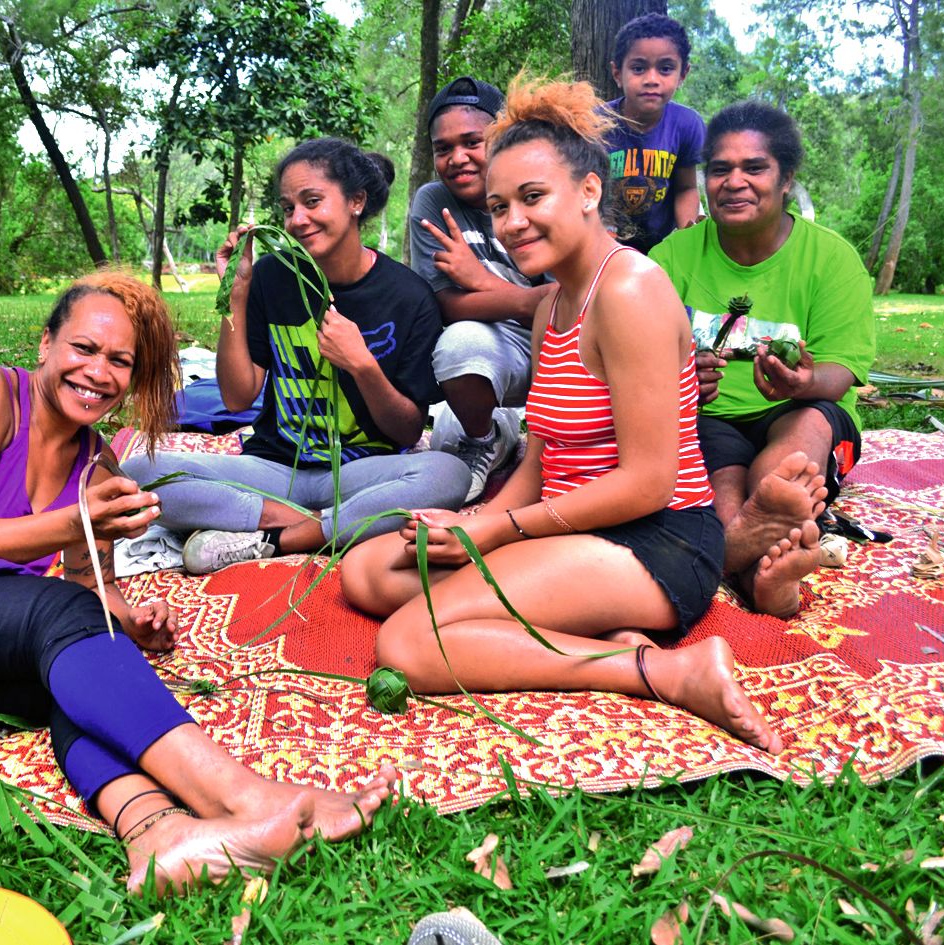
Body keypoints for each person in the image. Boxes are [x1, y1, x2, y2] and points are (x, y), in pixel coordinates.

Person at [0, 272, 397, 894]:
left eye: (120, 361)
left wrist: (127, 619)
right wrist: (76, 522)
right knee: (55, 622)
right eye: (83, 347)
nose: (97, 371)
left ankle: (154, 829)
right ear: (46, 343)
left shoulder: (97, 463)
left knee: (80, 673)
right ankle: (247, 798)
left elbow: (91, 591)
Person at [340, 75, 783, 756]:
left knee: (408, 641)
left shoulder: (629, 288)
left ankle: (661, 668)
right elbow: (544, 456)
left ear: (587, 191)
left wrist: (497, 529)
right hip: (570, 525)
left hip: (655, 539)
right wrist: (475, 521)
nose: (510, 220)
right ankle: (599, 627)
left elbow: (647, 483)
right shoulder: (551, 303)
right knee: (368, 572)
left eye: (531, 197)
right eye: (497, 205)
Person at [125, 138, 470, 575]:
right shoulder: (272, 278)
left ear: (356, 202)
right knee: (138, 472)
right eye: (288, 208)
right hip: (274, 471)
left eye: (312, 201)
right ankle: (293, 523)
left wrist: (362, 364)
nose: (298, 220)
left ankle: (282, 539)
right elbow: (236, 398)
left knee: (448, 474)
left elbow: (404, 431)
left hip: (360, 476)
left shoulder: (409, 297)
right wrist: (237, 294)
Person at [650, 101, 876, 618]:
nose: (735, 182)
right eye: (721, 168)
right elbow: (640, 357)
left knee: (802, 441)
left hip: (804, 409)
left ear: (786, 178)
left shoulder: (831, 259)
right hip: (711, 418)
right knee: (721, 476)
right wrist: (680, 377)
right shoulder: (671, 258)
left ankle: (739, 542)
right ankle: (766, 578)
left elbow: (840, 373)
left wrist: (802, 381)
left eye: (754, 168)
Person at [410, 77, 552, 502]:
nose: (458, 158)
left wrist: (479, 280)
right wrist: (531, 300)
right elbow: (447, 304)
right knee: (457, 349)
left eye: (473, 141)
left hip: (567, 345)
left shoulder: (542, 188)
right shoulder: (433, 202)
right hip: (496, 340)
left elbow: (573, 304)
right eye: (442, 148)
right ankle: (488, 435)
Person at [603, 13, 705, 254]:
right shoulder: (596, 124)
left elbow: (686, 188)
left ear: (683, 74)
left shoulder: (687, 125)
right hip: (606, 243)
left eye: (665, 69)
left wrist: (686, 241)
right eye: (638, 68)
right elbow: (582, 191)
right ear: (617, 73)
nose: (651, 79)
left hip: (664, 243)